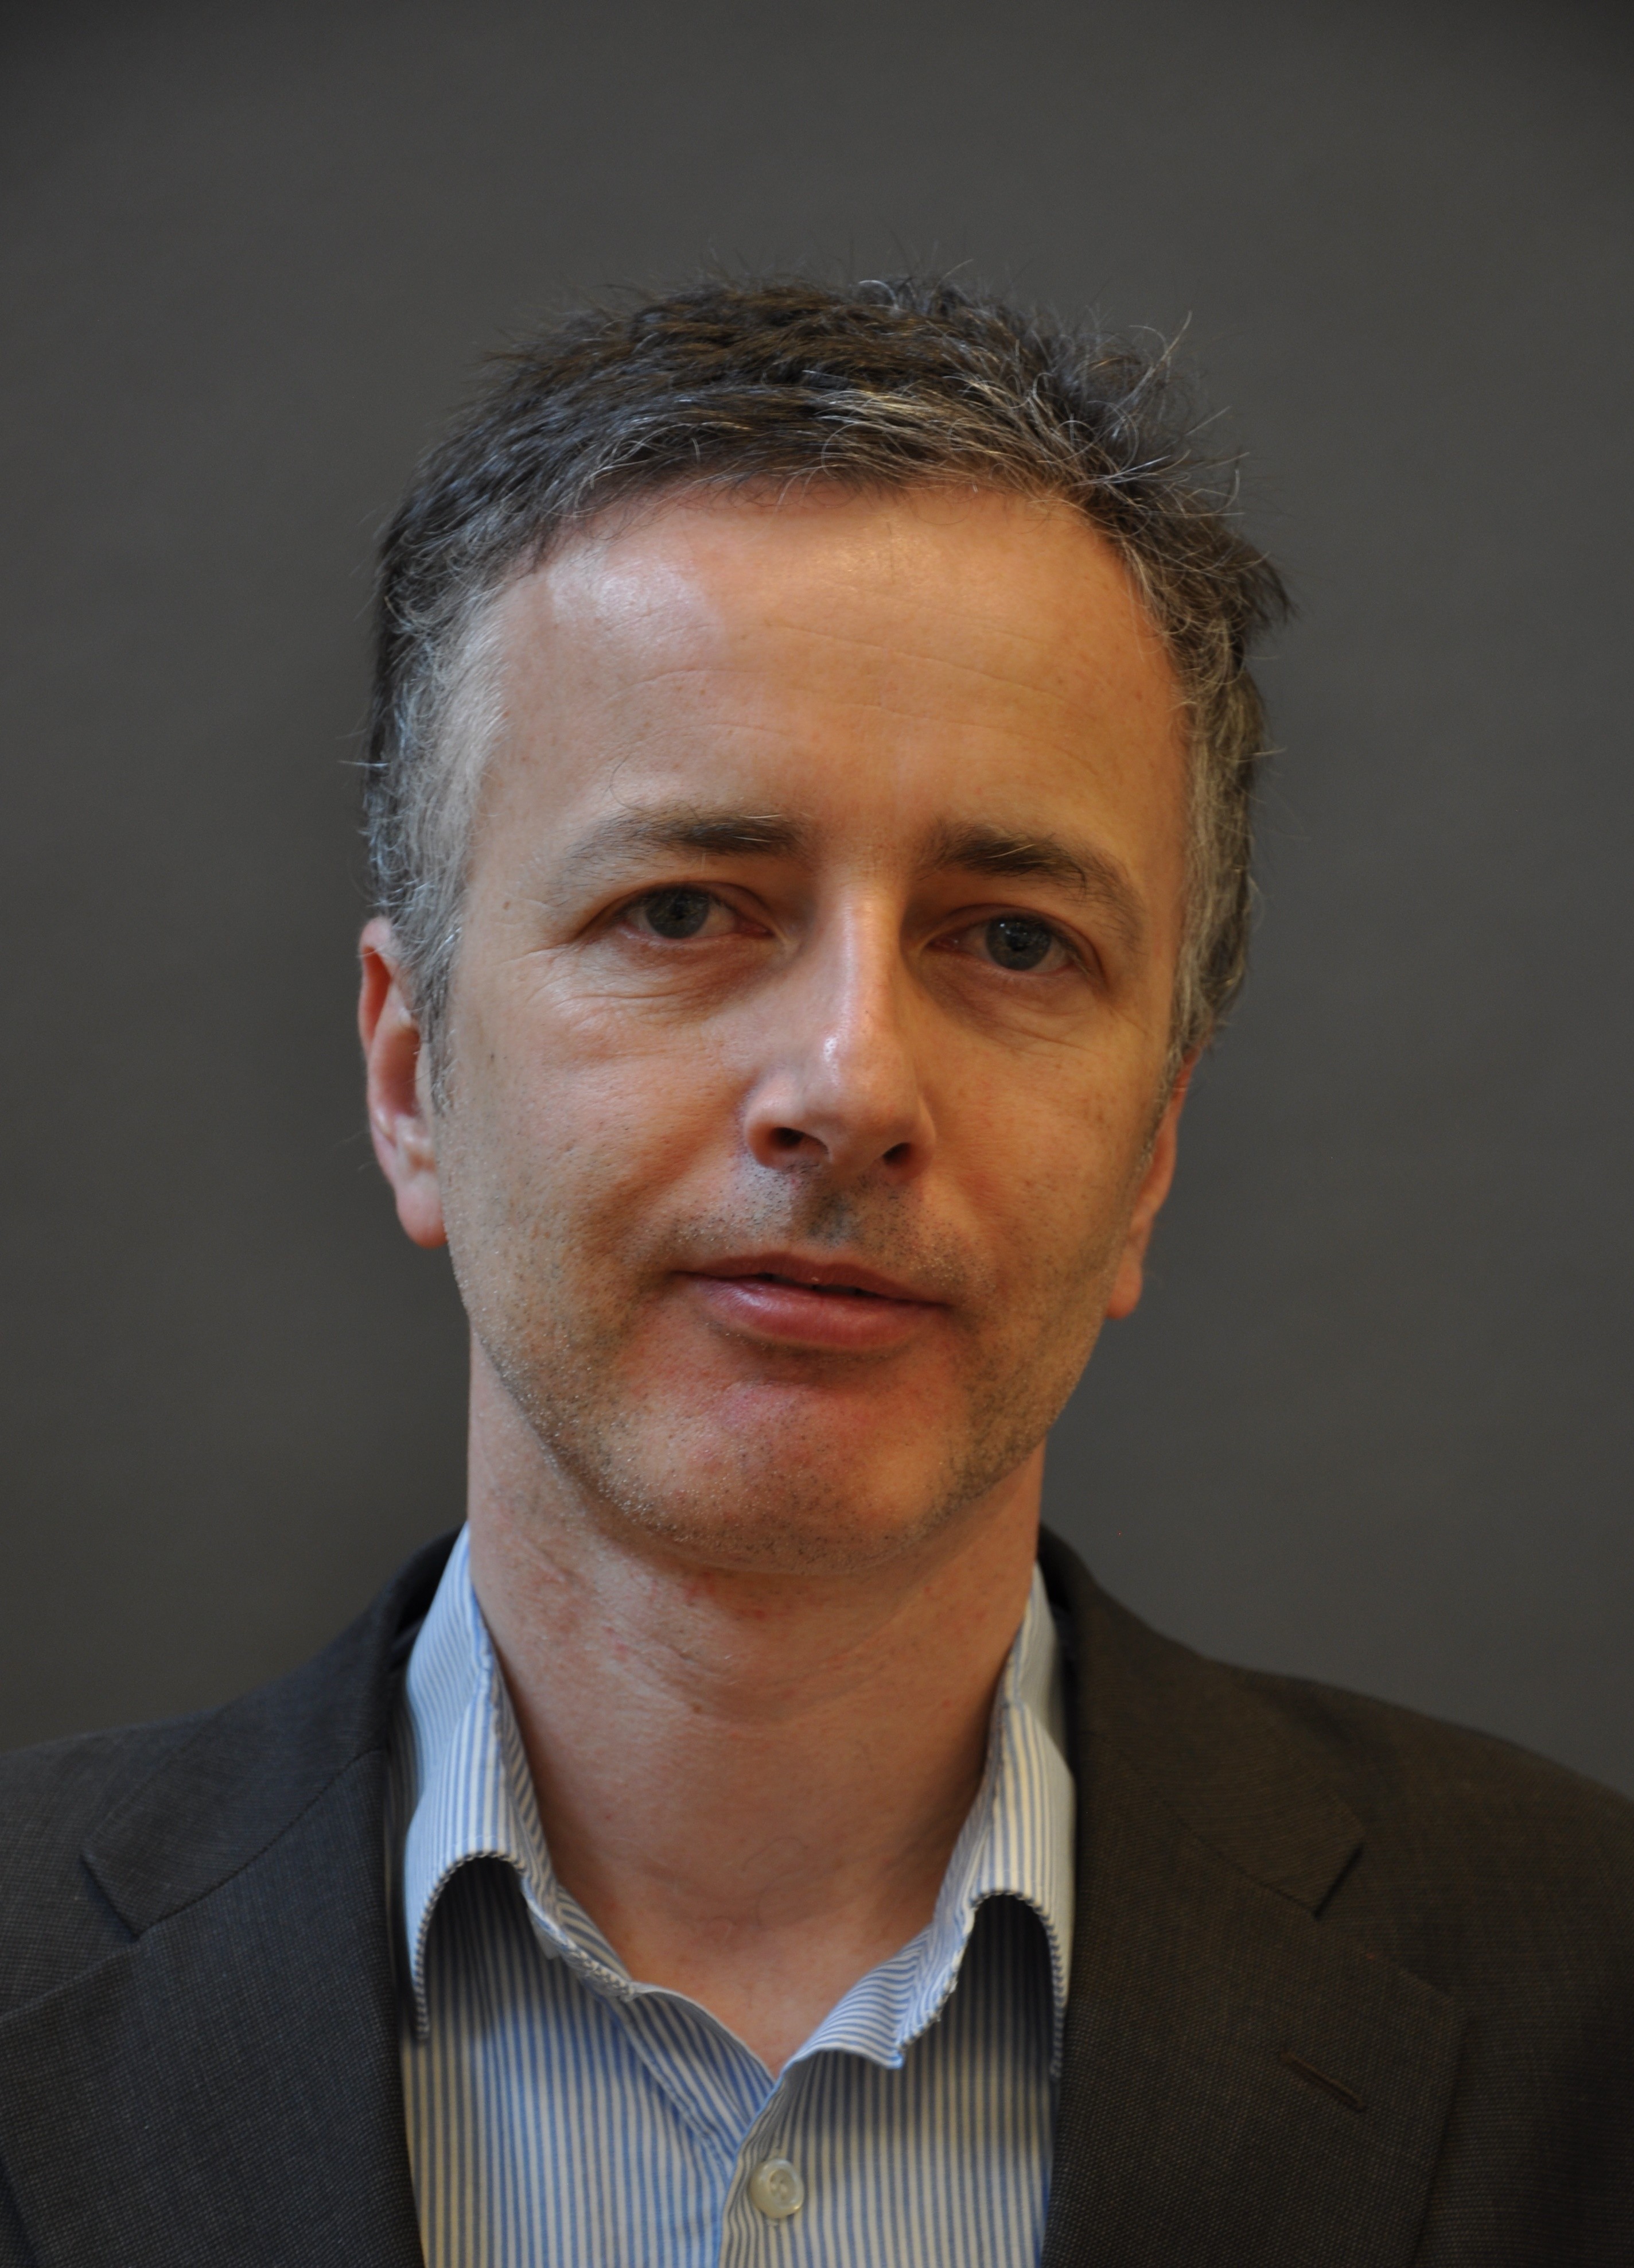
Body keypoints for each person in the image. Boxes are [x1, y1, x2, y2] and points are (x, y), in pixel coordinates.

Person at [1, 276, 1629, 2268]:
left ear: (1152, 1152)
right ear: (412, 1078)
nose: (851, 1087)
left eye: (1012, 939)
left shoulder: (1591, 2005)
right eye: (685, 909)